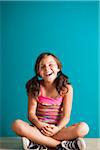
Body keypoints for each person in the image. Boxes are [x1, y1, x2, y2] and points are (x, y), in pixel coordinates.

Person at [12, 52, 89, 150]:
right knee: (16, 124)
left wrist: (57, 128)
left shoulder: (66, 88)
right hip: (39, 129)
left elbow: (66, 116)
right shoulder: (35, 87)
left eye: (51, 65)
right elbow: (31, 114)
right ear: (38, 72)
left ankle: (38, 142)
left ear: (58, 68)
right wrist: (40, 125)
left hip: (58, 130)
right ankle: (61, 146)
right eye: (42, 66)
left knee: (83, 128)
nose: (47, 68)